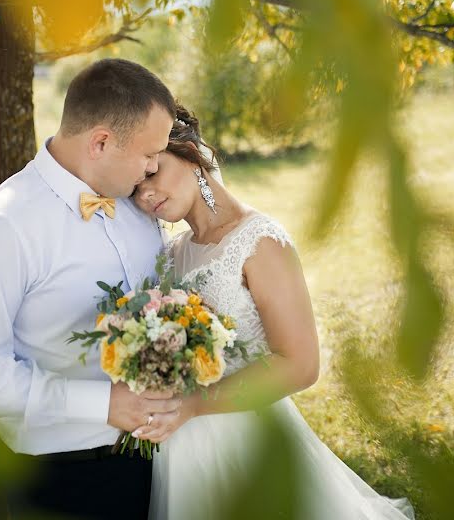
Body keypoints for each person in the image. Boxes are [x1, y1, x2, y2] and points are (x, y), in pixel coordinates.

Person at [131, 105, 417, 520]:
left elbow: (301, 365)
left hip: (251, 438)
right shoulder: (173, 252)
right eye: (135, 189)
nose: (145, 195)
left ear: (190, 152)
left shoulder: (260, 241)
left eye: (152, 175)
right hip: (184, 450)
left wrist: (194, 404)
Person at [0, 58, 182, 519]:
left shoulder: (139, 207)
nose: (153, 168)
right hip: (64, 479)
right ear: (101, 141)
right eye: (149, 154)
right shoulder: (2, 228)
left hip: (163, 463)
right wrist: (102, 404)